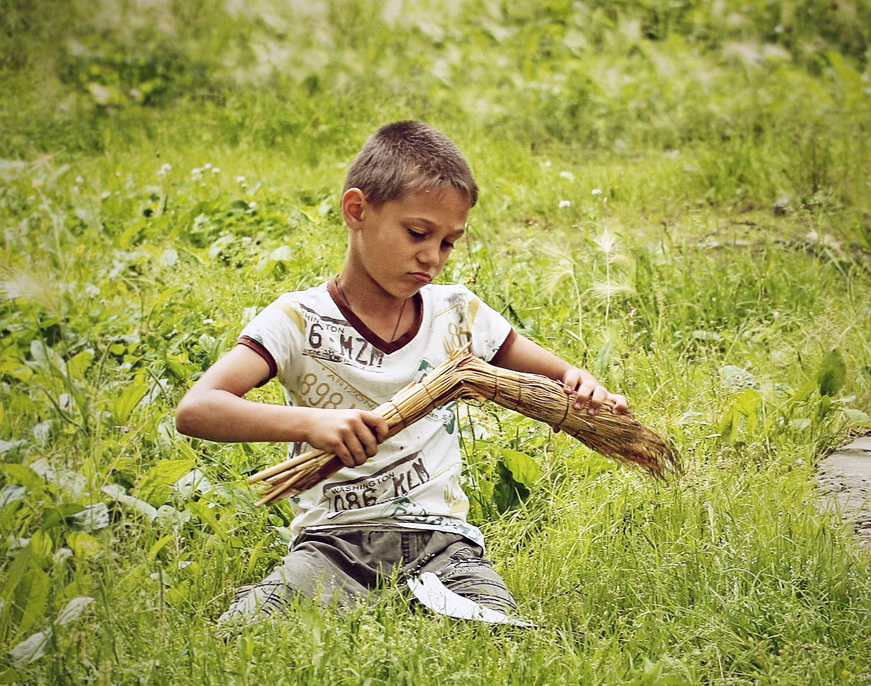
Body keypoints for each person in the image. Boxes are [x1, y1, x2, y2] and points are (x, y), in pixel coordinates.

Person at [175, 120, 627, 622]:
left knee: (495, 628)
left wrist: (584, 386)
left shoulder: (457, 312)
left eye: (449, 242)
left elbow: (559, 376)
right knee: (253, 627)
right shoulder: (298, 320)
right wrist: (311, 424)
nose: (432, 257)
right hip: (334, 544)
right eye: (417, 233)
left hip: (445, 547)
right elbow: (197, 409)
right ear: (357, 210)